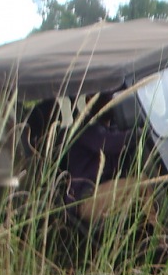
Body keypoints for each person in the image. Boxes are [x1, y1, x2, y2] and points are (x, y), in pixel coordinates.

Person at [66, 93, 156, 227]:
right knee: (142, 182)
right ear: (89, 100)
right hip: (88, 200)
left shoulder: (107, 126)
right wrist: (138, 133)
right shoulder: (85, 127)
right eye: (107, 98)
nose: (111, 101)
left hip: (100, 193)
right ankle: (162, 237)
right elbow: (109, 143)